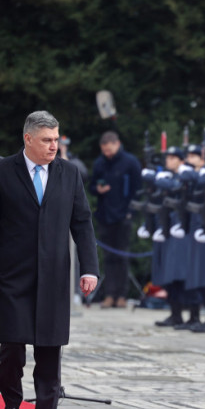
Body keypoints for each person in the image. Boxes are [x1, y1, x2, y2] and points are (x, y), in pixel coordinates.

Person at [0, 110, 99, 409]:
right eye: (47, 140)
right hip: (11, 277)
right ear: (28, 139)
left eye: (56, 139)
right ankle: (12, 405)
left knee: (49, 350)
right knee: (12, 348)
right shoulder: (1, 172)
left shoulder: (69, 174)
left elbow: (82, 223)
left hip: (54, 277)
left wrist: (89, 268)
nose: (53, 146)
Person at [89, 130, 141, 308]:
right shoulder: (100, 163)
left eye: (110, 150)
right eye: (104, 151)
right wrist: (98, 189)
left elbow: (138, 189)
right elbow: (92, 186)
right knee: (108, 257)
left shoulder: (130, 162)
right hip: (105, 216)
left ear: (117, 144)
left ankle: (122, 295)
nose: (107, 154)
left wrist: (131, 213)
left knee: (122, 257)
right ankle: (109, 294)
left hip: (123, 216)